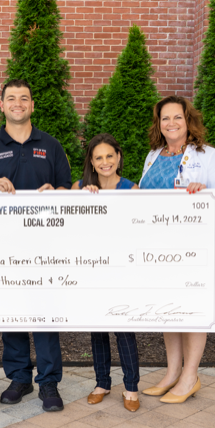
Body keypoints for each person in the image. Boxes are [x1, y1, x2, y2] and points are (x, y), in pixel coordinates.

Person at [0, 79, 71, 412]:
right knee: (11, 313)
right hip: (3, 248)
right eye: (11, 98)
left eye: (24, 98)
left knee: (44, 315)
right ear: (0, 105)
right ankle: (18, 378)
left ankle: (49, 382)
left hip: (46, 246)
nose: (18, 103)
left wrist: (56, 192)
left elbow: (67, 193)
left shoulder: (51, 145)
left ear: (32, 104)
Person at [139, 95, 215, 404]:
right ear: (159, 124)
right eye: (165, 118)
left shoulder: (209, 156)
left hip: (192, 247)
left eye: (177, 117)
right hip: (157, 246)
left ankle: (190, 377)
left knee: (190, 310)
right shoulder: (152, 156)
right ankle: (171, 373)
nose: (171, 123)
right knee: (168, 310)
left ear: (188, 120)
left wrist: (204, 194)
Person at [73, 133, 140, 412]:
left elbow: (139, 230)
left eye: (109, 156)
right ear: (91, 160)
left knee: (124, 331)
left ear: (118, 157)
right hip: (91, 268)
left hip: (121, 268)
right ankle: (102, 383)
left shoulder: (132, 189)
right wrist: (81, 200)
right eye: (98, 157)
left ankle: (132, 388)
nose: (105, 162)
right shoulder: (79, 187)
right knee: (98, 330)